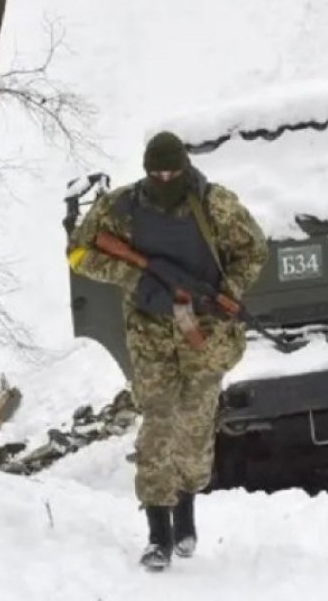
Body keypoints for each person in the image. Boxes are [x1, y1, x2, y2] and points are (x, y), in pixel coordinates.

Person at [67, 131, 267, 571]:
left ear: (185, 167)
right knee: (158, 423)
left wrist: (225, 292)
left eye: (172, 171)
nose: (163, 178)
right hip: (149, 330)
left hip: (205, 333)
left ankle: (186, 514)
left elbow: (254, 250)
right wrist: (137, 277)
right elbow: (78, 253)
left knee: (194, 430)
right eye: (155, 172)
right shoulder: (121, 208)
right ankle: (158, 535)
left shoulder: (215, 204)